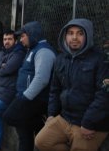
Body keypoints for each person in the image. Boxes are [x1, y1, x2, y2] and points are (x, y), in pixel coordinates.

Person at [35, 18, 109, 151]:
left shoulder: (100, 59)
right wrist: (51, 114)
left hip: (90, 123)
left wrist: (88, 122)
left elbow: (104, 96)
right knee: (41, 142)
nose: (74, 37)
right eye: (70, 33)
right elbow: (54, 90)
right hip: (65, 118)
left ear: (88, 35)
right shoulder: (61, 59)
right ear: (65, 35)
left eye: (80, 33)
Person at [2, 21, 56, 151]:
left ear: (32, 35)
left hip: (34, 99)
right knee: (24, 135)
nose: (21, 40)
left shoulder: (44, 51)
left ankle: (40, 125)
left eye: (23, 36)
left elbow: (41, 79)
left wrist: (25, 97)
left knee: (9, 116)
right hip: (26, 97)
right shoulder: (32, 49)